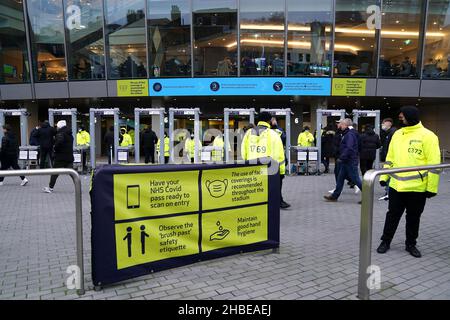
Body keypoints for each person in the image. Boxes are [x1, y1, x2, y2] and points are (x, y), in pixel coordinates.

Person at [376, 106, 441, 258]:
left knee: (413, 218)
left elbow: (434, 164)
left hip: (417, 188)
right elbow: (390, 157)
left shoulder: (429, 136)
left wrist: (431, 188)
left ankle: (411, 244)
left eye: (402, 115)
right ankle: (385, 241)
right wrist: (384, 177)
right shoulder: (398, 134)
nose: (400, 117)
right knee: (392, 215)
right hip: (396, 186)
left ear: (410, 116)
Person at [241, 112, 290, 209]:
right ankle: (275, 203)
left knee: (255, 188)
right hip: (269, 168)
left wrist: (246, 165)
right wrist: (281, 171)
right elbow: (279, 154)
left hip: (252, 166)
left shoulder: (248, 133)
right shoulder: (273, 134)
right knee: (271, 188)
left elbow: (243, 152)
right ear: (268, 121)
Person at [324, 119, 362, 203]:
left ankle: (367, 196)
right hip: (347, 160)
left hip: (349, 160)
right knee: (340, 178)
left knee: (356, 179)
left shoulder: (349, 134)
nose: (340, 126)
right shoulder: (349, 133)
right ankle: (334, 196)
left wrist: (342, 157)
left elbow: (349, 147)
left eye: (341, 124)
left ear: (345, 125)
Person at [43, 121, 74, 193]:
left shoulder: (60, 133)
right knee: (72, 173)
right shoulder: (70, 134)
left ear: (60, 126)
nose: (56, 127)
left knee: (55, 173)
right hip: (69, 156)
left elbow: (59, 143)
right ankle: (78, 185)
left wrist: (54, 148)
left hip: (60, 157)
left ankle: (50, 188)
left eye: (57, 126)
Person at [379, 118, 397, 201]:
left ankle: (389, 193)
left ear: (389, 124)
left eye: (384, 123)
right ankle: (388, 192)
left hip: (390, 158)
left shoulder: (392, 133)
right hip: (388, 156)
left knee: (389, 175)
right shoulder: (388, 133)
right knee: (388, 174)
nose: (382, 125)